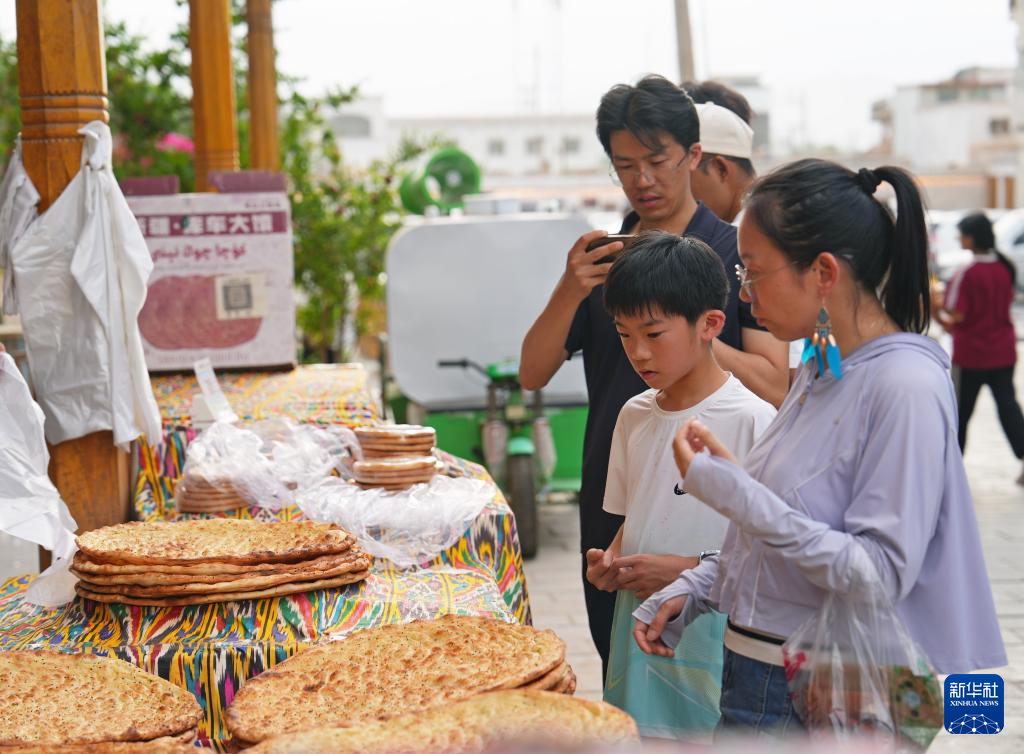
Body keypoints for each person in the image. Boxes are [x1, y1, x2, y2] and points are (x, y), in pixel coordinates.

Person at [632, 159, 1006, 737]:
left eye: (752, 270)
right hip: (762, 672)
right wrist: (702, 587)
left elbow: (877, 571)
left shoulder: (902, 385)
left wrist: (737, 496)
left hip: (817, 690)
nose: (743, 292)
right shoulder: (821, 365)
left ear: (823, 272)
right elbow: (793, 527)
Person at [519, 75, 788, 679]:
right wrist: (570, 288)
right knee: (622, 655)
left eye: (657, 160)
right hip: (617, 489)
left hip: (713, 493)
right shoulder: (603, 260)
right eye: (625, 165)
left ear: (694, 156)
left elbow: (776, 383)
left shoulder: (735, 251)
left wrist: (694, 336)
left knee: (715, 675)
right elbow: (532, 372)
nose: (642, 179)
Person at [586, 231, 775, 741]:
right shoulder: (634, 415)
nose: (638, 352)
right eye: (624, 335)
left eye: (653, 333)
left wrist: (688, 571)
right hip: (638, 638)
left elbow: (771, 553)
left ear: (710, 324)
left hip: (712, 643)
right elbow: (634, 517)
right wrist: (612, 562)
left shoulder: (754, 420)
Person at [937, 212, 1024, 480]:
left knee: (960, 412)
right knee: (1008, 407)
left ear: (971, 238)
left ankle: (950, 469)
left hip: (972, 355)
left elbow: (957, 315)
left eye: (961, 234)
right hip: (1003, 352)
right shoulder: (1004, 268)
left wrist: (934, 312)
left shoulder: (967, 273)